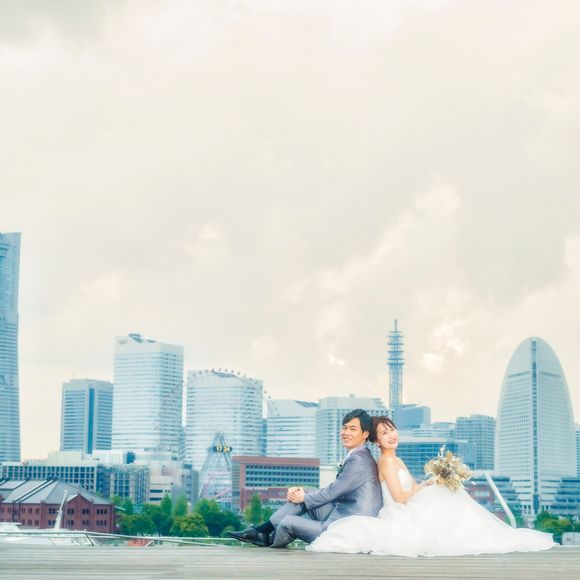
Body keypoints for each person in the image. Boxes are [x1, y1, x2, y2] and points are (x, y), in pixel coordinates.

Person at [309, 416, 556, 556]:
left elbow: (413, 487)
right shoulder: (386, 462)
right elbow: (400, 497)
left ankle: (478, 533)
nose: (392, 435)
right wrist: (426, 485)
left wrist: (433, 482)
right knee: (447, 499)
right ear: (376, 441)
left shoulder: (396, 459)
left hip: (408, 506)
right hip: (399, 514)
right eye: (384, 433)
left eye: (392, 429)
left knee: (449, 493)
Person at [227, 409, 382, 548]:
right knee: (304, 495)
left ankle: (267, 539)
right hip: (342, 515)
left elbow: (333, 492)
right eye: (344, 428)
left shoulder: (358, 460)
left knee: (288, 522)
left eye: (352, 429)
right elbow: (333, 491)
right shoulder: (360, 455)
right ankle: (261, 531)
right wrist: (302, 494)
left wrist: (303, 497)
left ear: (365, 434)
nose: (346, 432)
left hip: (346, 528)